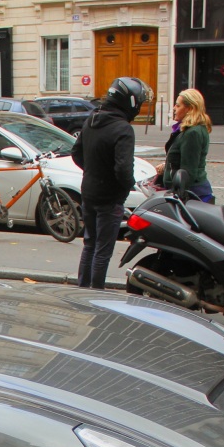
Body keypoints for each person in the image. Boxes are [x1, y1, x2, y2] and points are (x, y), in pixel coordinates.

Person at [71, 76, 151, 289]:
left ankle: (83, 290)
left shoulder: (92, 120)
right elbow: (124, 169)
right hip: (109, 197)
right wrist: (125, 188)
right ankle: (96, 293)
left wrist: (92, 171)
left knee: (89, 244)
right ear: (130, 103)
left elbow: (76, 153)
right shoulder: (123, 129)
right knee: (102, 250)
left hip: (88, 191)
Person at [161, 88, 213, 203]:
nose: (174, 108)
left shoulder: (193, 133)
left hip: (192, 194)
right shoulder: (186, 130)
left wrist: (179, 197)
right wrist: (166, 166)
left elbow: (188, 171)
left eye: (178, 106)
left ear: (190, 109)